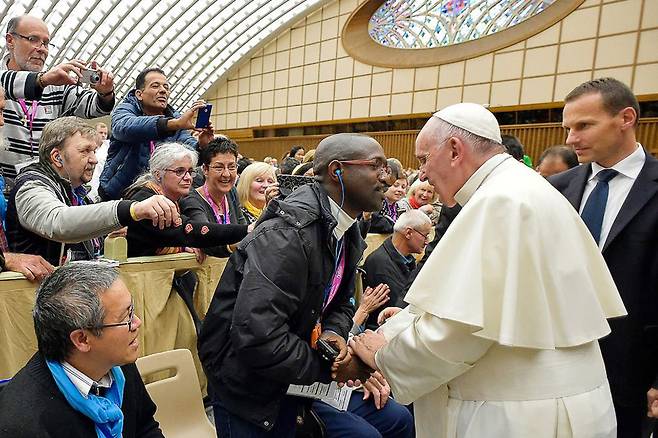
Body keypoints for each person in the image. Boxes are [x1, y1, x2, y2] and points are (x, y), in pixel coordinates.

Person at [344, 102, 626, 438]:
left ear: (454, 150)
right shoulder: (519, 188)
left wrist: (386, 355)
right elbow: (455, 305)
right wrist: (391, 334)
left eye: (423, 159)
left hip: (520, 415)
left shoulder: (499, 201)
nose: (422, 174)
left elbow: (458, 330)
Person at [198, 133, 390, 437]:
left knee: (390, 423)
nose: (387, 178)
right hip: (247, 388)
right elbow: (259, 336)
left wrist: (333, 334)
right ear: (336, 171)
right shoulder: (288, 234)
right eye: (376, 167)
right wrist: (333, 369)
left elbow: (340, 302)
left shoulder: (346, 230)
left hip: (287, 375)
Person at [549, 77, 658, 437]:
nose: (570, 139)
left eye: (584, 126)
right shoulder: (556, 190)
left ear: (625, 118)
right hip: (556, 361)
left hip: (633, 370)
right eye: (568, 128)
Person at [0, 261, 163, 437]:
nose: (137, 323)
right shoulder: (25, 423)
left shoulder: (115, 363)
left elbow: (146, 428)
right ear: (82, 339)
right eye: (126, 317)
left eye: (132, 310)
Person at [5, 117, 181, 265]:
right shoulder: (30, 186)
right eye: (85, 151)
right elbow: (59, 222)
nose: (95, 160)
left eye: (94, 151)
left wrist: (103, 234)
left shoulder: (79, 193)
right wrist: (130, 209)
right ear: (57, 157)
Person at [0, 15, 115, 179]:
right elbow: (8, 82)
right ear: (10, 41)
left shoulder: (55, 85)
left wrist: (105, 92)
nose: (42, 49)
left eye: (46, 43)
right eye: (33, 39)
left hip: (40, 187)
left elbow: (93, 108)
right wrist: (43, 80)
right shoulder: (9, 79)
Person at [99, 67, 214, 200]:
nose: (163, 90)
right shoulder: (125, 110)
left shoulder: (174, 118)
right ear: (139, 94)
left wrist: (202, 145)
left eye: (166, 87)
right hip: (119, 193)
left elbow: (186, 148)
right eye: (155, 86)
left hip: (159, 196)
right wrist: (171, 125)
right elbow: (124, 128)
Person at [125, 142, 249, 258]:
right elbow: (189, 230)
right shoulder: (146, 198)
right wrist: (246, 231)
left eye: (190, 171)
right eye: (180, 171)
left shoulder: (177, 198)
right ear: (158, 174)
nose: (188, 178)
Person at [360, 210, 431, 331]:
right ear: (408, 233)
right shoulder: (380, 264)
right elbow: (402, 306)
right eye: (425, 235)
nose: (427, 241)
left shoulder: (406, 259)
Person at [367, 160, 408, 234]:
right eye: (395, 185)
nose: (399, 190)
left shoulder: (400, 207)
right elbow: (375, 223)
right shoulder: (375, 202)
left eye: (403, 187)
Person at [88, 122, 111, 201]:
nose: (103, 135)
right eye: (101, 133)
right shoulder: (87, 147)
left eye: (105, 133)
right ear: (94, 133)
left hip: (103, 183)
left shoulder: (110, 148)